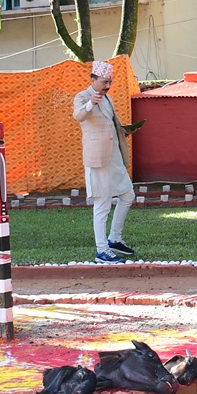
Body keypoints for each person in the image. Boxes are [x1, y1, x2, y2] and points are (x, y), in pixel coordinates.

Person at [74, 60, 138, 263]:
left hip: (114, 156)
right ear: (93, 79)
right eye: (104, 81)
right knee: (102, 204)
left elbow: (110, 123)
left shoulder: (107, 98)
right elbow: (78, 116)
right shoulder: (83, 96)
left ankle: (114, 239)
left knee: (128, 195)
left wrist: (125, 130)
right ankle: (101, 251)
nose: (107, 85)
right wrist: (90, 103)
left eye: (110, 81)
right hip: (98, 158)